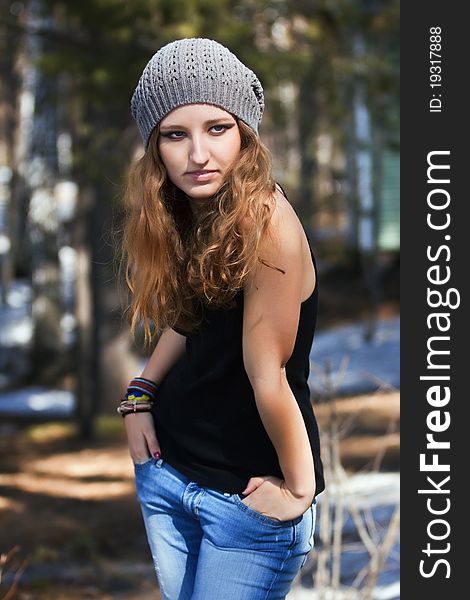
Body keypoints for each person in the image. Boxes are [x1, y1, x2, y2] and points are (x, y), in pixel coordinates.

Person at [119, 37, 325, 600]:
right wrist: (140, 394)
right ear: (155, 147)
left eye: (217, 128)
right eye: (175, 134)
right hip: (169, 471)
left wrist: (300, 490)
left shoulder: (268, 227)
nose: (198, 155)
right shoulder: (187, 209)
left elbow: (269, 374)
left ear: (246, 135)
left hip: (245, 497)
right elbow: (188, 321)